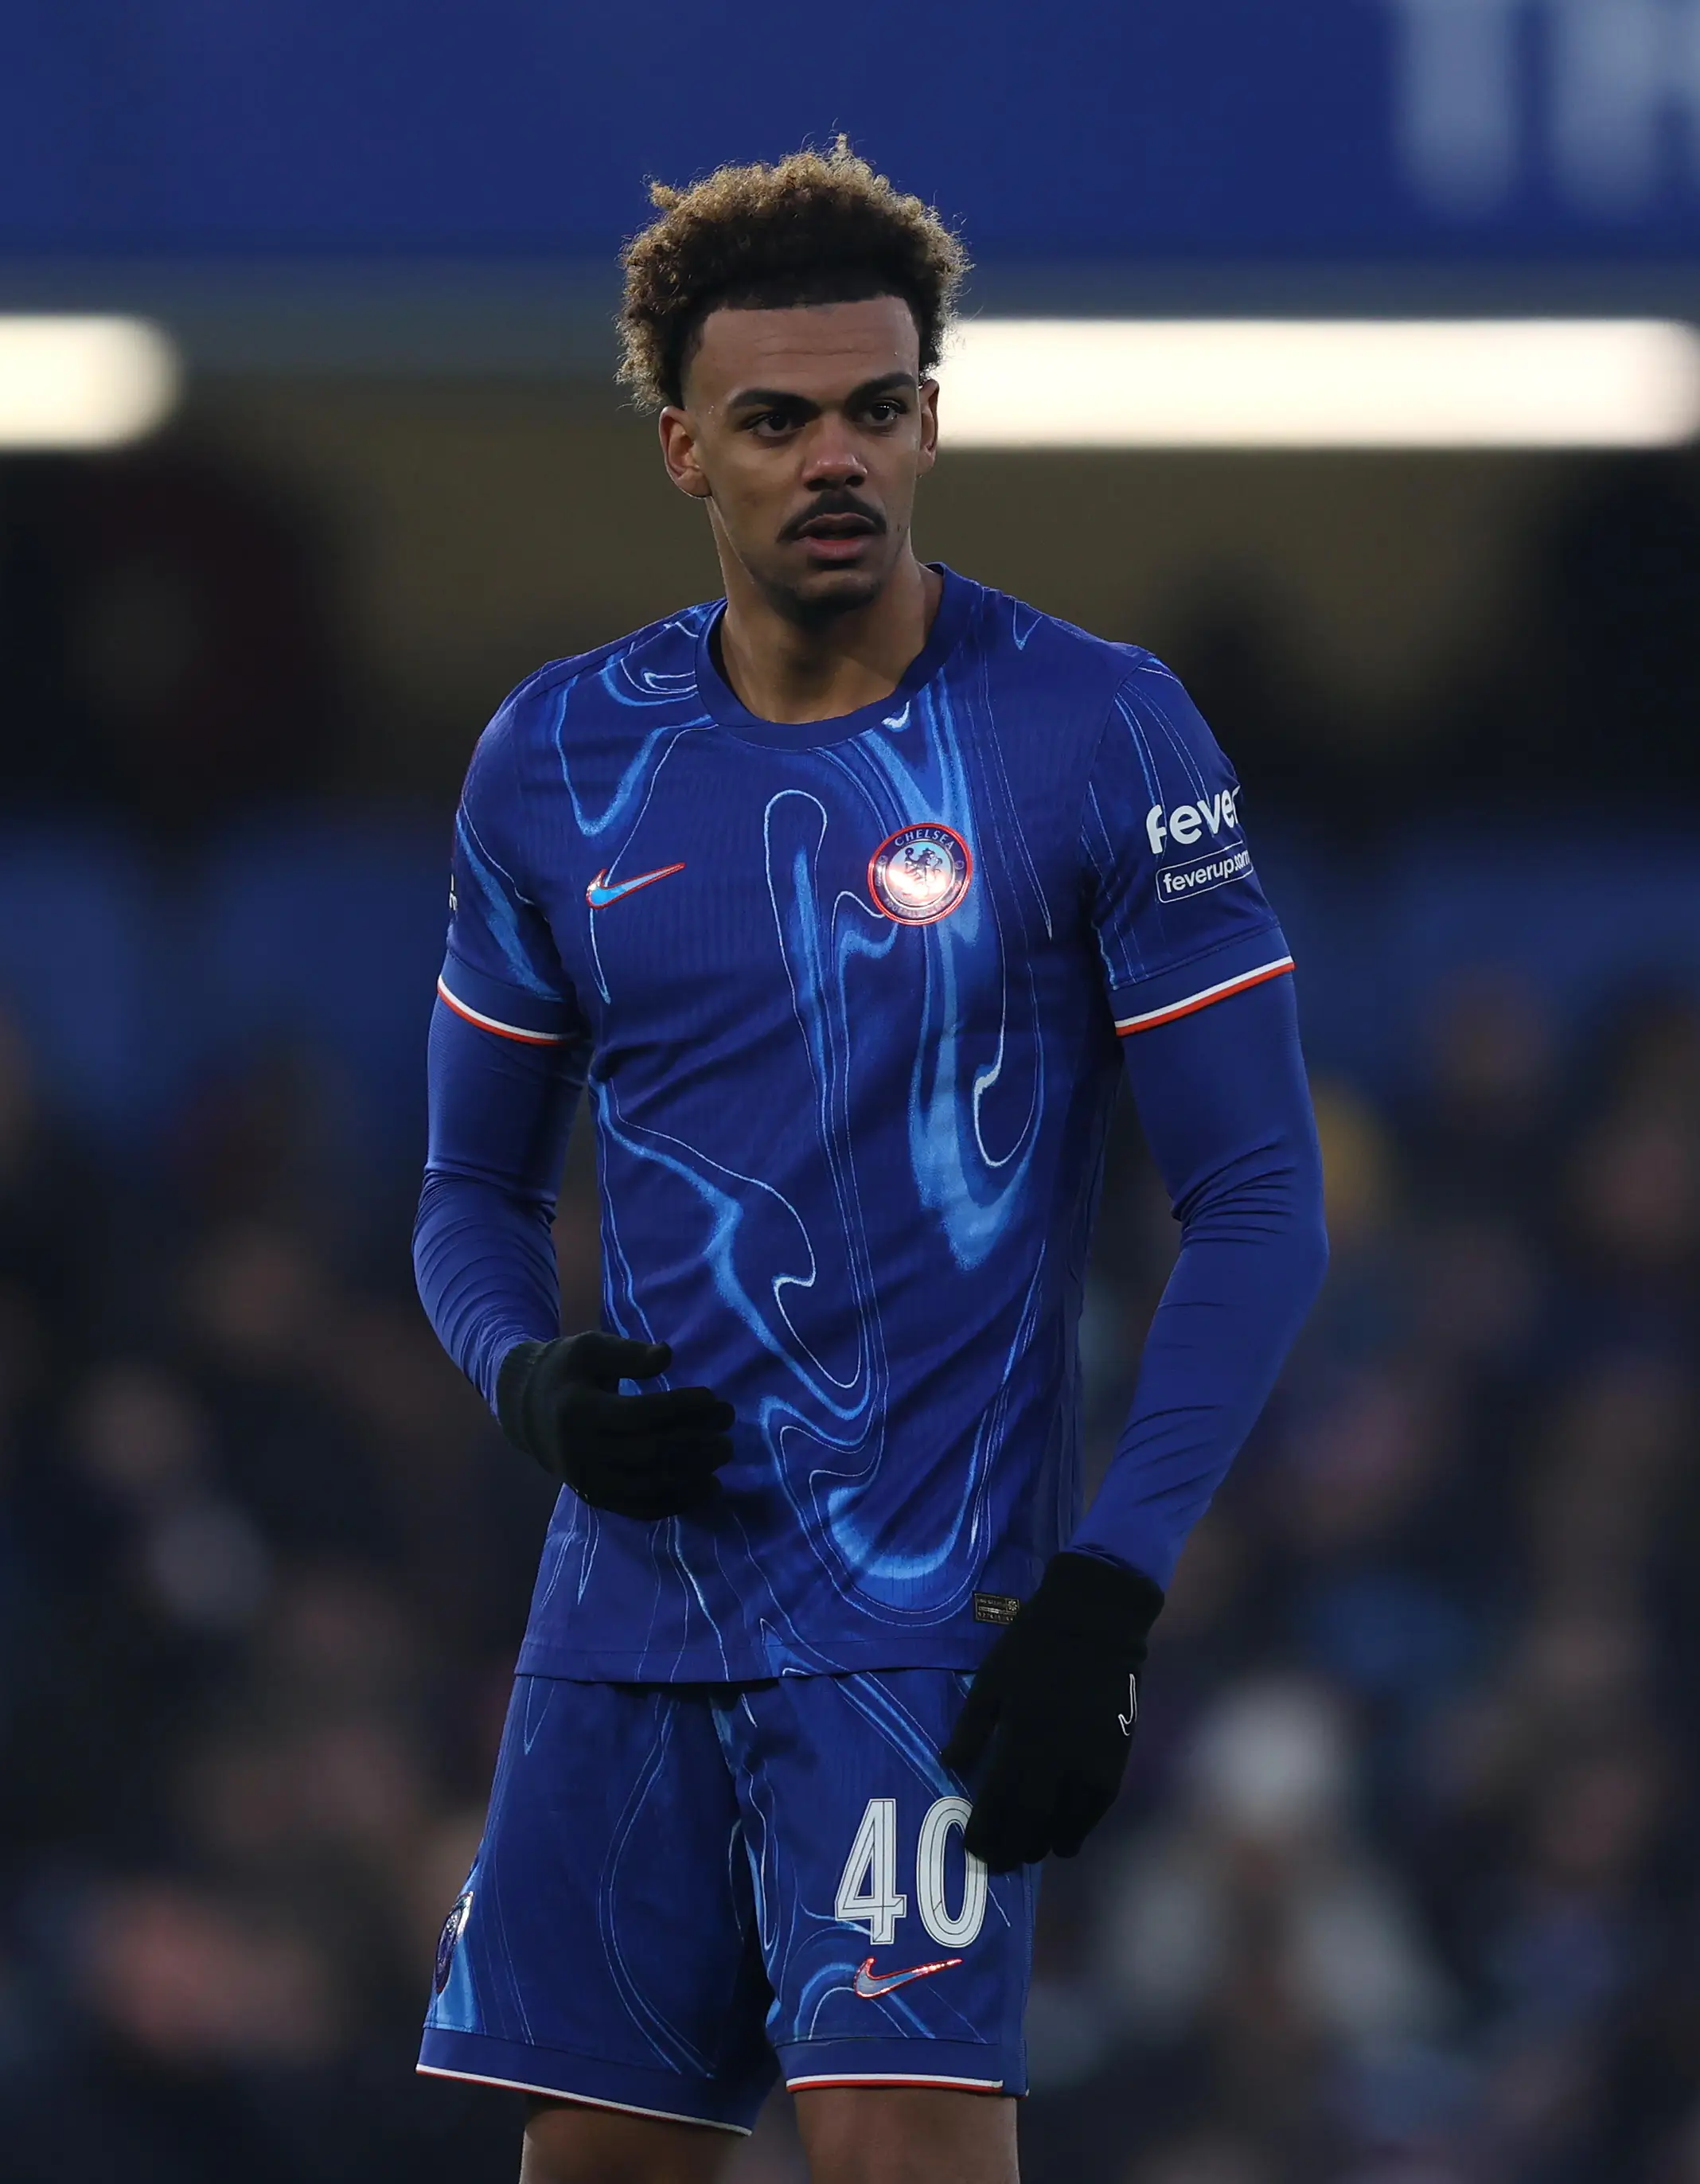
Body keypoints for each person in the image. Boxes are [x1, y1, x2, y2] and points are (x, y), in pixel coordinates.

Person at [409, 143, 1328, 2184]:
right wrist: (529, 1380)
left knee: (901, 2151)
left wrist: (1108, 1593)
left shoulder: (1098, 732)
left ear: (933, 416)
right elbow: (466, 1197)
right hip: (626, 1624)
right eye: (777, 420)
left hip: (928, 1615)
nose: (838, 458)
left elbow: (1260, 1201)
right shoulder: (556, 760)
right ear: (682, 450)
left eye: (879, 408)